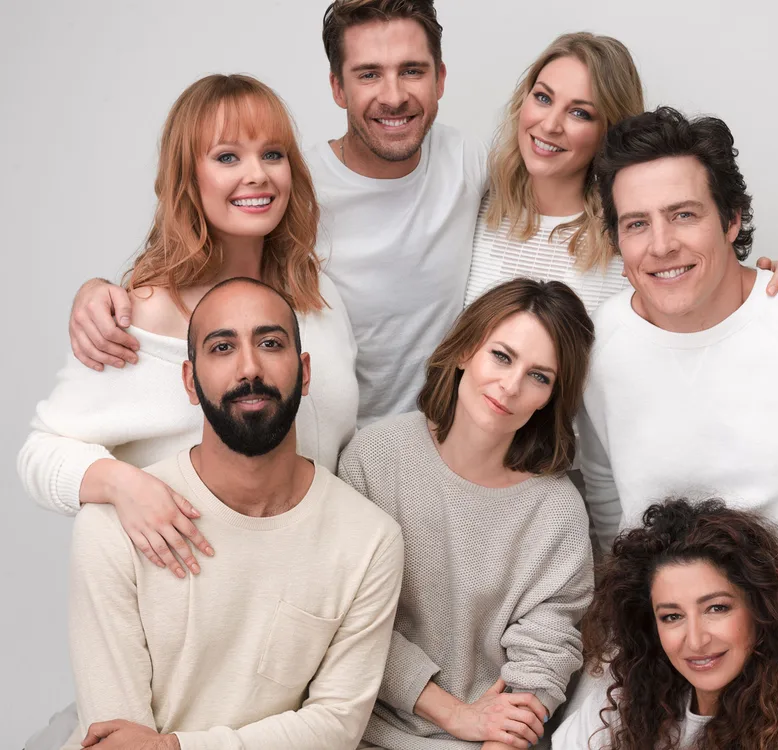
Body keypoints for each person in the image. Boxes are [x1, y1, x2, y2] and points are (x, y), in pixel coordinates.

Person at [65, 7, 778, 428]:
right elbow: (211, 241)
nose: (393, 95)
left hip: (498, 459)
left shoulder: (477, 175)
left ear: (440, 79)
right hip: (326, 449)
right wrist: (108, 290)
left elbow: (674, 262)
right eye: (369, 74)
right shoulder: (293, 184)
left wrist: (761, 276)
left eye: (412, 71)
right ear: (337, 87)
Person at [19, 74, 358, 749]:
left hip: (296, 621)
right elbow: (39, 452)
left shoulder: (316, 296)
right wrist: (123, 485)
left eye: (272, 154)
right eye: (228, 156)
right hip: (190, 635)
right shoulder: (141, 312)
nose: (256, 175)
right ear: (188, 177)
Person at [577, 106, 778, 746]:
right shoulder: (601, 348)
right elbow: (607, 509)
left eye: (683, 215)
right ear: (616, 239)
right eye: (637, 223)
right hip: (672, 633)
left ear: (732, 219)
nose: (661, 245)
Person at [60, 277, 403, 750]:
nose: (249, 368)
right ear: (190, 380)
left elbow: (335, 727)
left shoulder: (369, 540)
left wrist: (174, 747)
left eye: (270, 343)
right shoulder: (111, 527)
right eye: (222, 347)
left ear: (305, 372)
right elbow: (116, 739)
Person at [338, 278, 595, 750]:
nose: (510, 386)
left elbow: (544, 658)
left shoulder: (558, 513)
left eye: (539, 377)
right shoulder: (374, 458)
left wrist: (495, 738)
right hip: (355, 726)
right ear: (464, 352)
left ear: (550, 399)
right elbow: (349, 619)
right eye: (502, 356)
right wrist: (456, 715)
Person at [464, 32, 778, 315]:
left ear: (609, 130)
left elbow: (713, 299)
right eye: (543, 97)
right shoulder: (471, 204)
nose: (550, 125)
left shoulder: (634, 237)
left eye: (580, 113)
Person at [553, 498, 778, 749]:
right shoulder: (622, 703)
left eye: (717, 608)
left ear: (761, 611)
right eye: (672, 616)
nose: (695, 640)